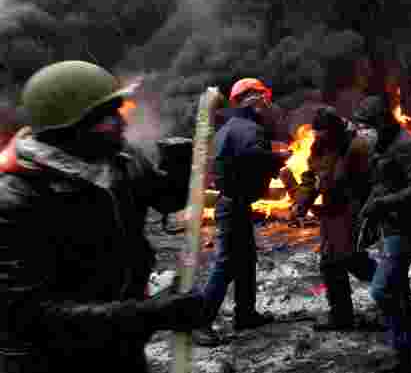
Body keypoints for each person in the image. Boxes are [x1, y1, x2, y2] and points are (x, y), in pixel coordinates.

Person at [0, 60, 207, 372]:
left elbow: (166, 199)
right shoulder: (17, 198)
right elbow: (28, 314)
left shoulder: (120, 161)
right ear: (70, 128)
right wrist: (150, 314)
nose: (122, 122)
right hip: (48, 360)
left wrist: (178, 165)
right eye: (108, 117)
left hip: (122, 346)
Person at [193, 78, 290, 347]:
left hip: (234, 203)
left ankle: (245, 314)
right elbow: (253, 157)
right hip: (234, 206)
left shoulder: (229, 128)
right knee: (226, 264)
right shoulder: (248, 129)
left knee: (246, 259)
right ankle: (200, 323)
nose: (267, 102)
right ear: (252, 98)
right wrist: (279, 158)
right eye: (263, 96)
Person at [354, 96, 411, 373]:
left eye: (366, 126)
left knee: (382, 290)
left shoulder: (406, 145)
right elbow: (382, 183)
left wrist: (382, 204)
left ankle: (404, 347)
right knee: (398, 286)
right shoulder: (381, 143)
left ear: (380, 122)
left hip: (407, 228)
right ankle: (409, 350)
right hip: (389, 227)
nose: (362, 132)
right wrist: (368, 211)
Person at [289, 106, 376, 331]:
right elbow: (311, 177)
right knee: (332, 262)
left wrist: (368, 214)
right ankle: (342, 316)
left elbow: (370, 183)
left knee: (350, 259)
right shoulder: (320, 146)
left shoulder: (357, 147)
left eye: (324, 135)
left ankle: (393, 295)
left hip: (353, 211)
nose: (320, 139)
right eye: (318, 135)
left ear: (335, 131)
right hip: (332, 211)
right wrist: (302, 202)